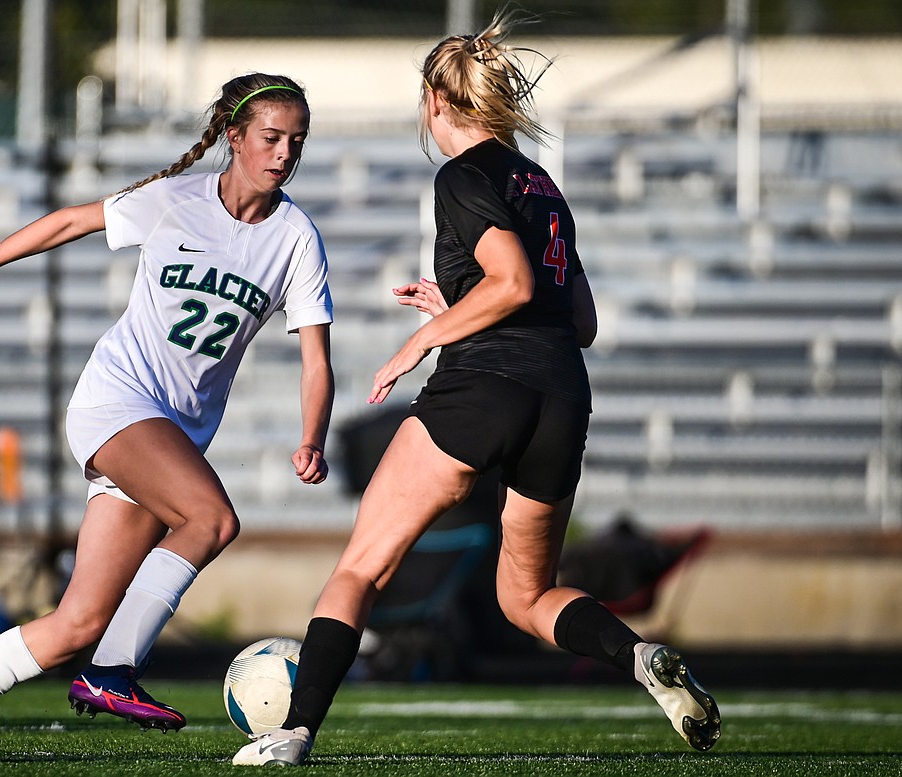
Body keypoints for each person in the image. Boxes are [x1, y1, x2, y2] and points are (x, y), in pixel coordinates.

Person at [233, 15, 720, 767]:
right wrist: (456, 306)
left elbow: (513, 282)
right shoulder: (543, 185)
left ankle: (291, 734)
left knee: (361, 566)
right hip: (561, 396)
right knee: (525, 596)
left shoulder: (461, 174)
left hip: (484, 389)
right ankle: (638, 659)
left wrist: (424, 337)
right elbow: (578, 319)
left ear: (435, 99)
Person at [0, 72, 335, 755]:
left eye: (296, 143)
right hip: (117, 401)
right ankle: (113, 669)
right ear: (235, 137)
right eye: (271, 138)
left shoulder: (296, 237)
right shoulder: (176, 198)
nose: (283, 154)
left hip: (173, 435)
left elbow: (316, 358)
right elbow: (69, 221)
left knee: (77, 618)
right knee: (212, 519)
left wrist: (311, 436)